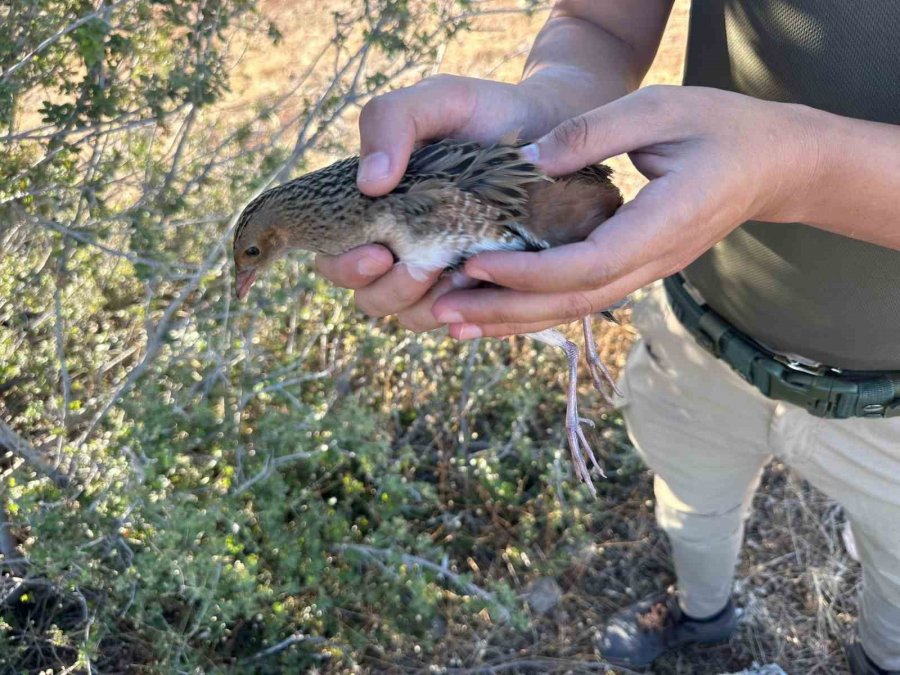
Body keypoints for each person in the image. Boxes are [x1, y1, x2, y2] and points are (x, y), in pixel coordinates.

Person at [315, 2, 900, 672]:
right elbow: (601, 22)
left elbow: (789, 165)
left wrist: (791, 168)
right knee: (691, 505)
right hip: (695, 336)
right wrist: (552, 106)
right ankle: (702, 612)